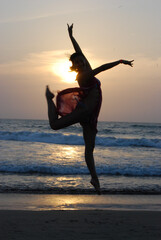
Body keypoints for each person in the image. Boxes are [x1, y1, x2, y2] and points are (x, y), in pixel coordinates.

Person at [45, 24, 134, 194]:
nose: (81, 62)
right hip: (85, 111)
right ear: (75, 66)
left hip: (91, 115)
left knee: (89, 149)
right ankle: (49, 100)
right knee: (54, 125)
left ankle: (94, 178)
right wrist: (121, 61)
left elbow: (78, 51)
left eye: (81, 60)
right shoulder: (85, 74)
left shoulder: (86, 67)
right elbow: (102, 68)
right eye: (77, 62)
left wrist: (71, 36)